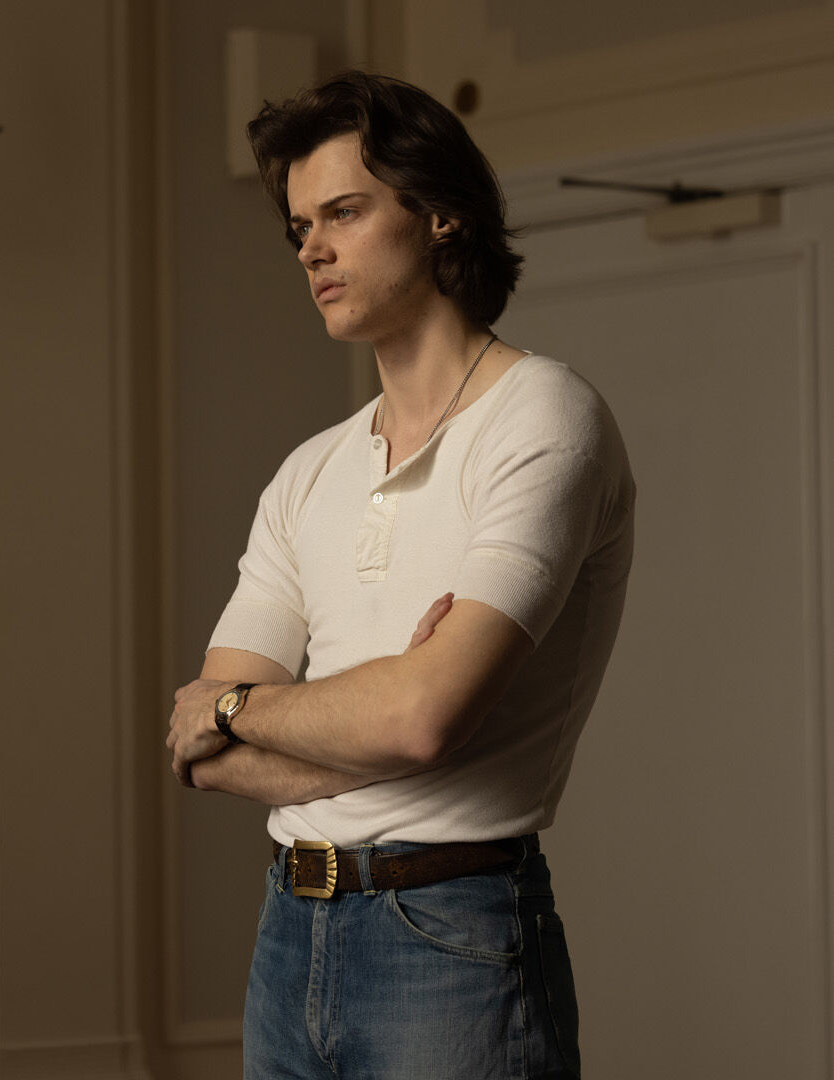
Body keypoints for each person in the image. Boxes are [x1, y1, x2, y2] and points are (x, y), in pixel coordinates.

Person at [166, 71, 634, 1079]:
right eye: (299, 227)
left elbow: (414, 717)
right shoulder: (307, 472)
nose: (311, 250)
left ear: (439, 215)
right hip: (287, 933)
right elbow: (200, 754)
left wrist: (243, 706)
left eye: (342, 212)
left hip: (451, 937)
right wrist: (373, 711)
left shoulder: (543, 417)